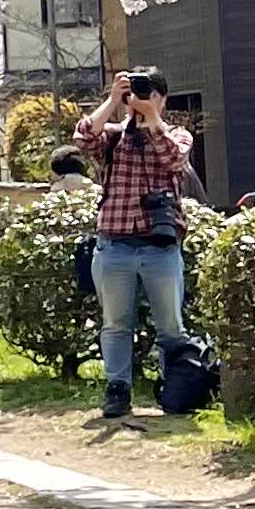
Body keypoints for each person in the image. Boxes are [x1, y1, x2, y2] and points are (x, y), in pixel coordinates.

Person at [71, 67, 201, 418]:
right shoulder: (114, 137)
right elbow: (83, 138)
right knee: (115, 323)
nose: (141, 100)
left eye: (149, 94)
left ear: (163, 99)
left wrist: (152, 118)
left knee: (171, 326)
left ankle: (175, 390)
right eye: (136, 94)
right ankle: (117, 389)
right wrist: (113, 100)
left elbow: (175, 158)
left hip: (160, 247)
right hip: (114, 244)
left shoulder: (178, 135)